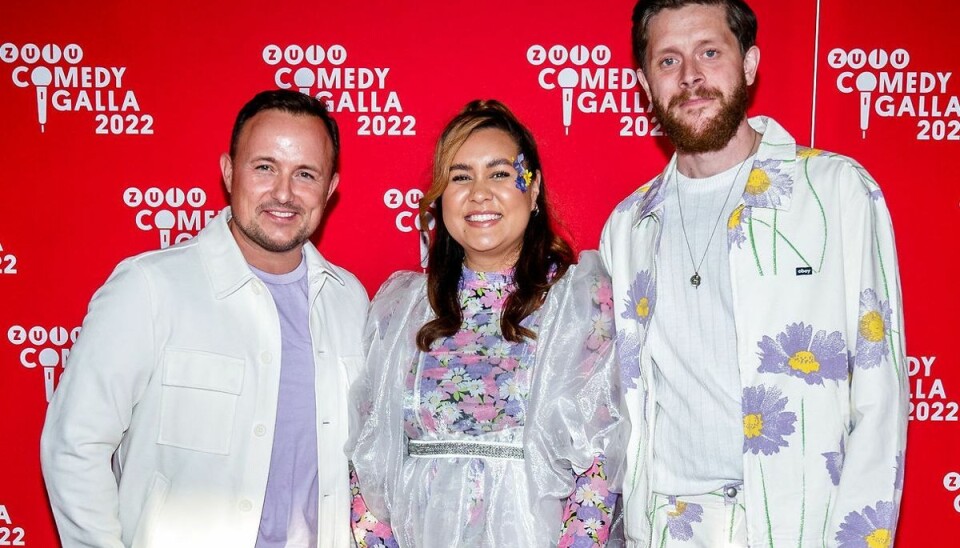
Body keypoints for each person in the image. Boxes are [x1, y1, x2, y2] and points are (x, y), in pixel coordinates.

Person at [600, 1, 909, 546]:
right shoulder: (629, 227)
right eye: (668, 61)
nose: (691, 76)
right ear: (645, 83)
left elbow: (880, 399)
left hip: (800, 525)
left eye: (710, 52)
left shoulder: (836, 192)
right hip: (667, 528)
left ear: (749, 64)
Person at [40, 89, 368, 547]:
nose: (283, 193)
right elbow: (74, 447)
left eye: (306, 174)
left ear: (330, 189)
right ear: (229, 171)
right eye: (264, 167)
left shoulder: (349, 300)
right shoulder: (150, 288)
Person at [349, 100, 626, 547]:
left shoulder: (580, 304)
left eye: (499, 173)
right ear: (441, 197)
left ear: (532, 191)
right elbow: (368, 459)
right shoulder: (399, 309)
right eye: (461, 176)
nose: (480, 193)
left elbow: (597, 467)